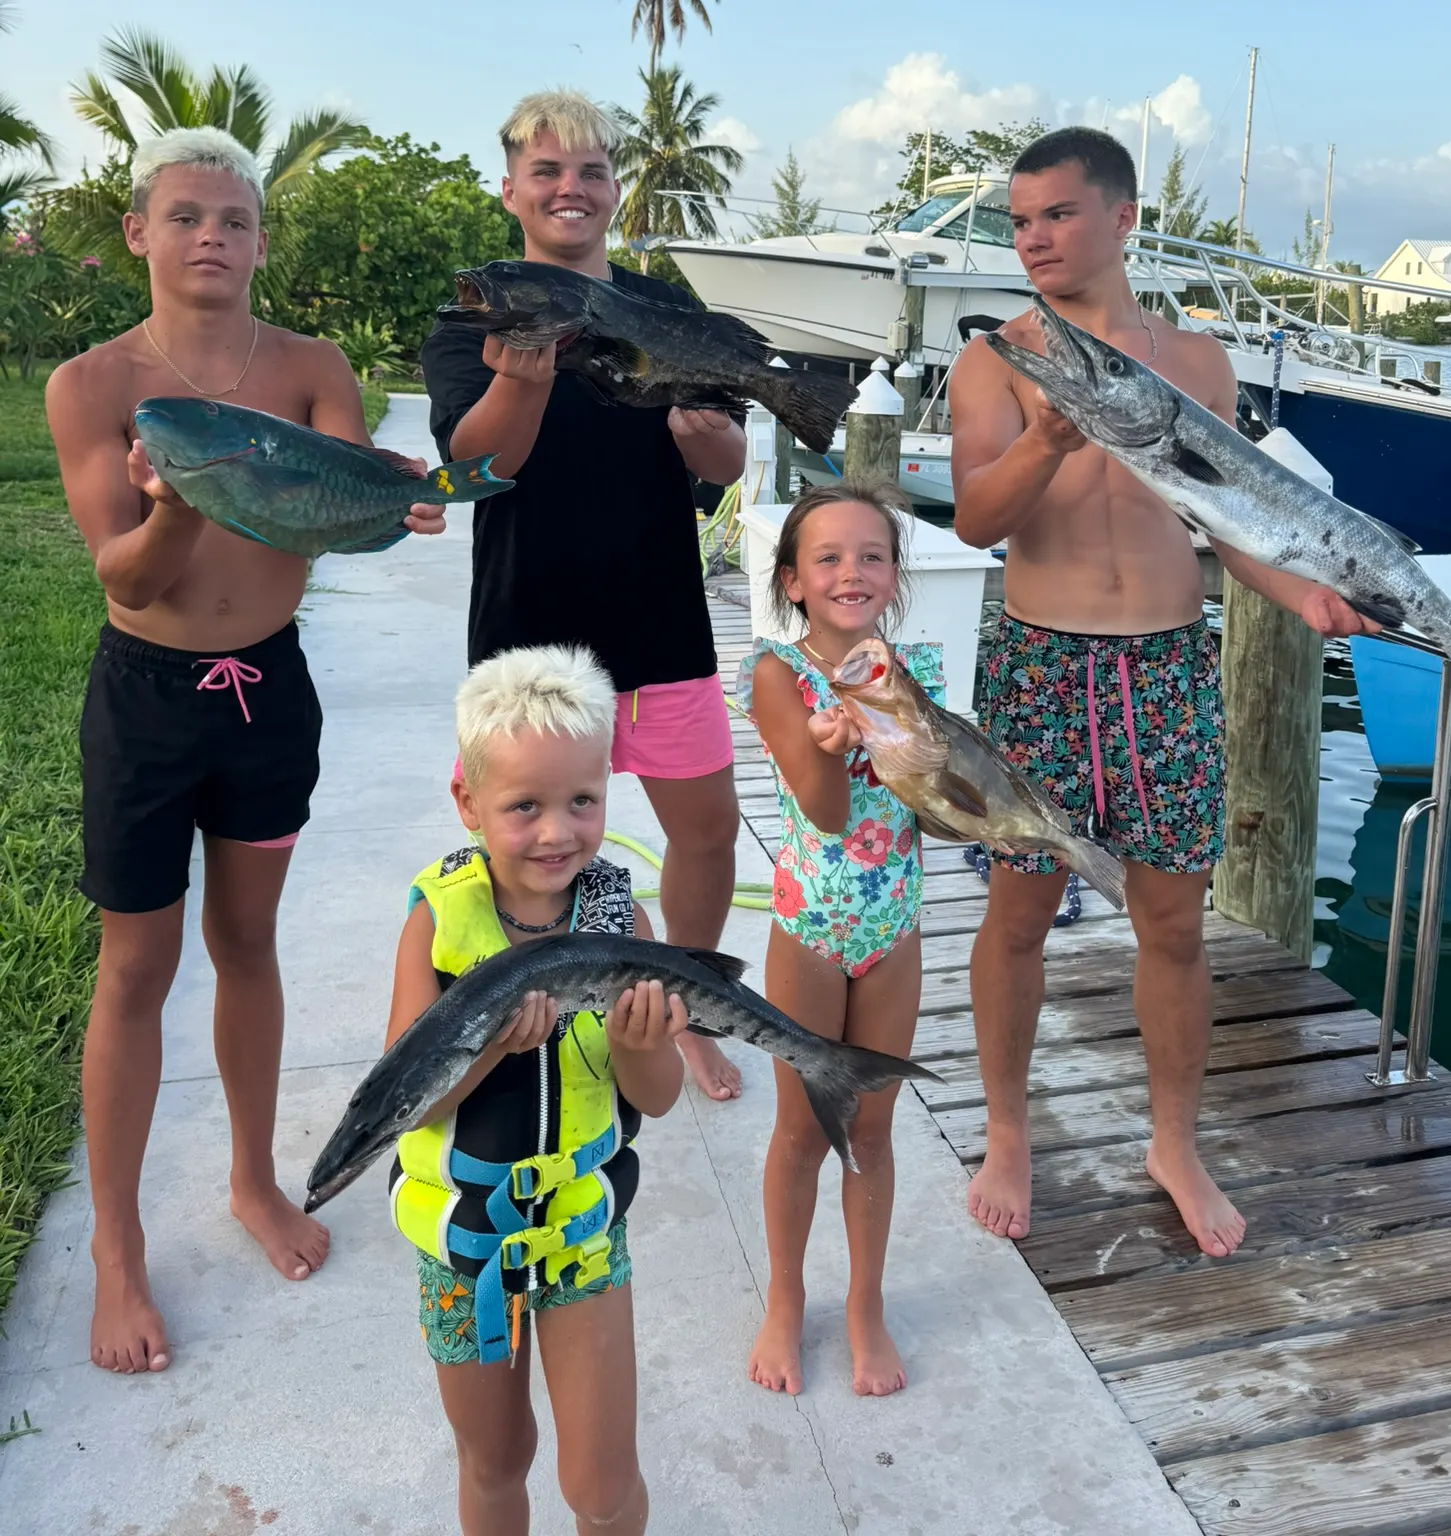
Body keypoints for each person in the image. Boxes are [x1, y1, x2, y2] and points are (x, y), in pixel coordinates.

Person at [45, 127, 448, 1375]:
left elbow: (338, 503)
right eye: (185, 216)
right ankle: (118, 1249)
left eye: (233, 218)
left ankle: (253, 1180)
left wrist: (401, 499)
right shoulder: (95, 387)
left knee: (249, 944)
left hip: (268, 691)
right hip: (148, 699)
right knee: (137, 966)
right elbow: (125, 572)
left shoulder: (313, 363)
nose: (210, 235)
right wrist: (175, 501)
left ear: (261, 242)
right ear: (140, 233)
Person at [948, 127, 1376, 1258]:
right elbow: (980, 520)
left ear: (1123, 218)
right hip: (1042, 662)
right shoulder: (996, 358)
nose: (1035, 238)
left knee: (1175, 925)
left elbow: (1228, 522)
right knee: (1020, 912)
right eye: (1021, 219)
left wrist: (1305, 598)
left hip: (1169, 665)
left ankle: (1174, 1143)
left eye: (1058, 214)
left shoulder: (1200, 363)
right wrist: (1046, 438)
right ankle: (1005, 1128)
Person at [421, 89, 748, 1104]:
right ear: (512, 188)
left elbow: (724, 458)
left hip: (662, 631)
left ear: (617, 189)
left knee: (708, 833)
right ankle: (517, 1013)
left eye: (593, 171)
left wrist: (717, 448)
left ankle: (678, 1009)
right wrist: (519, 379)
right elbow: (478, 468)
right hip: (530, 645)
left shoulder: (669, 314)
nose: (573, 188)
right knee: (528, 846)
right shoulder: (469, 316)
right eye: (549, 171)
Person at [386, 644, 685, 1536]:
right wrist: (485, 1050)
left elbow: (659, 1097)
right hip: (462, 1244)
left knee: (601, 1482)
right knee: (495, 1459)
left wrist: (641, 1045)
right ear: (468, 802)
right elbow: (407, 1096)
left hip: (584, 1237)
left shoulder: (620, 921)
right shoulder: (437, 925)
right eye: (524, 807)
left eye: (582, 801)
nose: (558, 831)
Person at [737, 481, 942, 1398]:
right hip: (811, 931)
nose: (851, 572)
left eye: (872, 556)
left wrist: (916, 749)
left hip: (894, 929)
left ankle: (866, 1305)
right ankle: (786, 1299)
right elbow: (822, 816)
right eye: (828, 558)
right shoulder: (776, 675)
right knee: (801, 1132)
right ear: (793, 581)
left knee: (874, 1129)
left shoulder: (916, 670)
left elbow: (932, 811)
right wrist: (825, 749)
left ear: (894, 577)